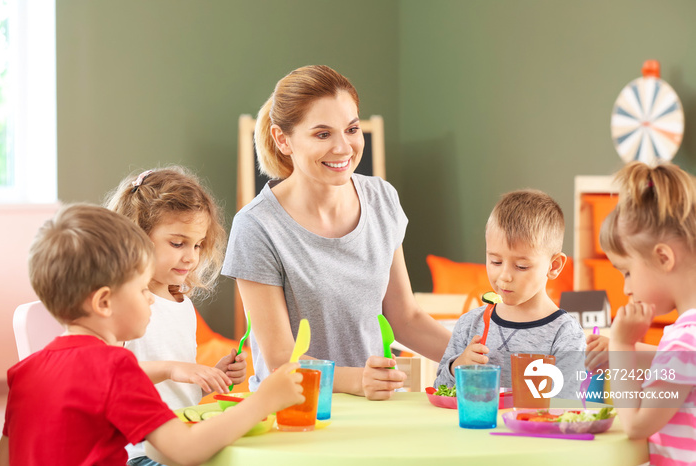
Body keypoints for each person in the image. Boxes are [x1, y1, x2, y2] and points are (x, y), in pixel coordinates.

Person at [0, 204, 303, 466]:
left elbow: (5, 457)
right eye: (143, 289)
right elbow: (185, 449)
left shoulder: (25, 372)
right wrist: (264, 401)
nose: (152, 298)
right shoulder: (115, 366)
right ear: (104, 302)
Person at [222, 64, 451, 400]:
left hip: (375, 406)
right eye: (323, 134)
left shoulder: (381, 198)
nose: (344, 148)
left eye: (352, 129)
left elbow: (405, 318)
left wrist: (471, 355)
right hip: (295, 410)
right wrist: (358, 380)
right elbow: (281, 359)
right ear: (283, 140)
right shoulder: (256, 226)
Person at [105, 166, 248, 466]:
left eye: (197, 244)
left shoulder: (181, 301)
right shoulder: (121, 305)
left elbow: (176, 389)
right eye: (177, 243)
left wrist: (211, 375)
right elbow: (106, 379)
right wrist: (173, 369)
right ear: (136, 236)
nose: (191, 256)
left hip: (184, 440)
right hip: (140, 453)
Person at [433, 189, 586, 396]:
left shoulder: (565, 333)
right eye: (495, 261)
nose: (504, 276)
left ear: (554, 265)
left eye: (521, 266)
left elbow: (567, 404)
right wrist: (457, 367)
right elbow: (440, 391)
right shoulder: (470, 325)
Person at [597, 161, 696, 465]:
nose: (626, 289)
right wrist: (627, 352)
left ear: (663, 258)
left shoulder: (684, 339)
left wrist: (622, 346)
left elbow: (636, 425)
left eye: (626, 272)